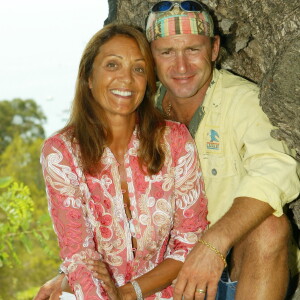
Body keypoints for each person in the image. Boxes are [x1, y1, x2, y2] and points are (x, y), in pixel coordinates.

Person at [38, 23, 208, 300]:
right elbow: (79, 255)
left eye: (138, 69)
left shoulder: (175, 141)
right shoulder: (61, 153)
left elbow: (190, 241)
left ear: (148, 82)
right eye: (112, 65)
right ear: (88, 78)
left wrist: (130, 293)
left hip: (169, 291)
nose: (126, 79)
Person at [145, 1, 300, 300]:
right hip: (165, 272)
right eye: (167, 52)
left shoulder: (241, 100)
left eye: (193, 49)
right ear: (151, 57)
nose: (181, 66)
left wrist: (213, 242)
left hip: (233, 268)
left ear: (214, 49)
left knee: (271, 227)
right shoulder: (141, 110)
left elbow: (277, 169)